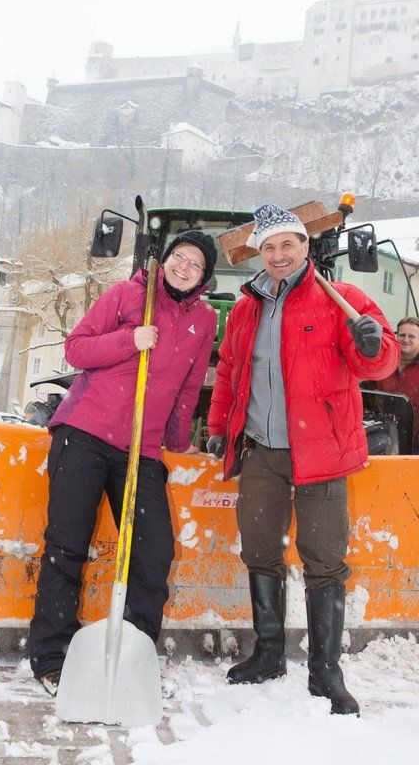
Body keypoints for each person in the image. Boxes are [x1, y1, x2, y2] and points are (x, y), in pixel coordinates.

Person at [207, 204, 400, 716]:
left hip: (323, 453)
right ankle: (269, 654)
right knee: (259, 550)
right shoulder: (246, 310)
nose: (277, 255)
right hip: (261, 452)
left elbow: (378, 363)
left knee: (324, 560)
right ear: (259, 253)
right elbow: (229, 373)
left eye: (286, 245)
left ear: (304, 246)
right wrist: (219, 428)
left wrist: (373, 345)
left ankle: (325, 672)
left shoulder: (341, 299)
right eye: (268, 247)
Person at [29, 231, 218, 696]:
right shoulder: (127, 295)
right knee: (66, 547)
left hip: (142, 449)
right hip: (84, 435)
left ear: (204, 277)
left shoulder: (205, 320)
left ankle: (132, 658)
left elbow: (188, 388)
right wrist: (130, 339)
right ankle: (53, 659)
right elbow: (76, 348)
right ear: (164, 260)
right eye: (178, 256)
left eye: (195, 263)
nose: (184, 266)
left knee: (153, 554)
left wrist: (180, 440)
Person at [374, 316, 419, 454]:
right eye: (402, 335)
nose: (406, 340)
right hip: (384, 440)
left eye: (411, 336)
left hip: (415, 445)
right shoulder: (384, 361)